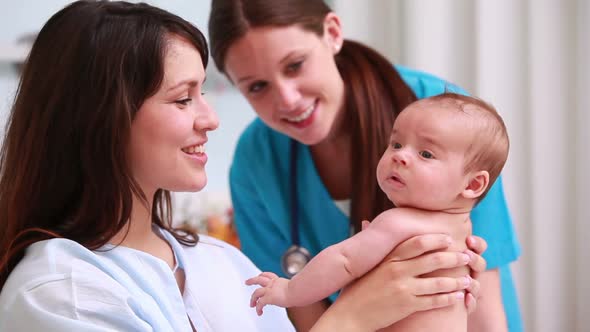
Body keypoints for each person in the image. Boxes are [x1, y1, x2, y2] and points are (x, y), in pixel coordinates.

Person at [0, 1, 476, 331]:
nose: (209, 119)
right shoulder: (60, 295)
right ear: (101, 118)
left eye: (203, 94)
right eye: (184, 98)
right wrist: (352, 317)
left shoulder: (222, 263)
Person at [208, 0, 522, 331]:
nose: (287, 99)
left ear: (332, 33)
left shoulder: (447, 119)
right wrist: (352, 311)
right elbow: (298, 311)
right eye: (257, 86)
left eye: (295, 65)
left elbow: (485, 310)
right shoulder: (256, 160)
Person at [246, 93, 509, 332]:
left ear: (473, 184)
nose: (401, 156)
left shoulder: (398, 223)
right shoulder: (464, 234)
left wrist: (290, 291)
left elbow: (344, 261)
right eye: (396, 144)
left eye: (426, 153)